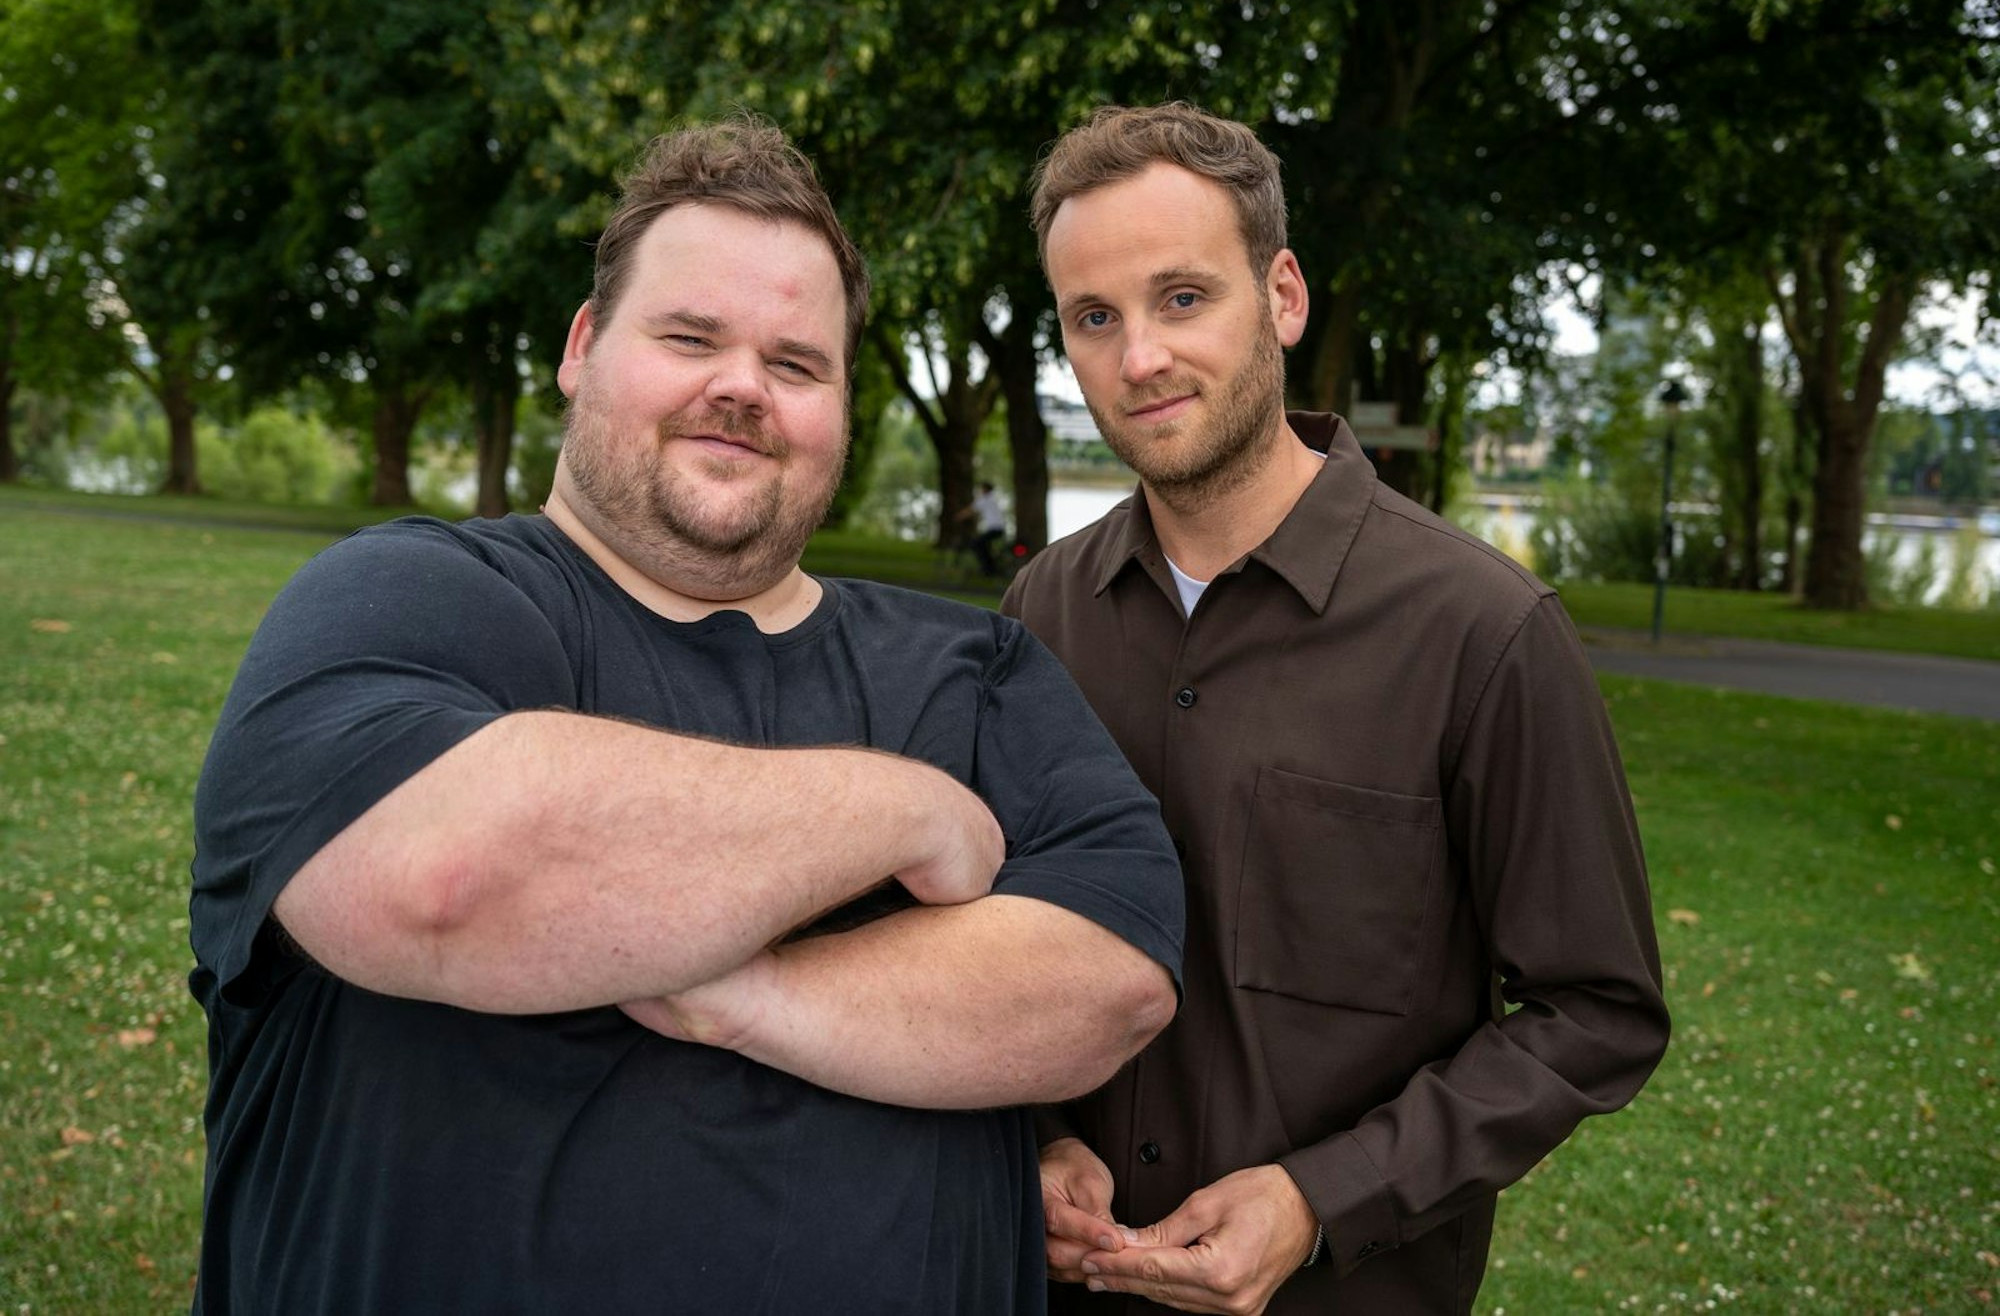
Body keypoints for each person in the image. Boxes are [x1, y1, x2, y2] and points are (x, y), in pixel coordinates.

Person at [187, 116, 1184, 1314]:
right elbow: (443, 878)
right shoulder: (409, 597)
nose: (740, 389)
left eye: (796, 363)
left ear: (840, 409)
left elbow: (1108, 977)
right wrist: (907, 810)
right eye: (688, 336)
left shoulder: (975, 668)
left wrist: (734, 992)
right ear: (582, 346)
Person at [1002, 102, 1670, 1315]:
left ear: (1283, 296)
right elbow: (996, 934)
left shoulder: (1484, 631)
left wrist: (1325, 1194)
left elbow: (1594, 1010)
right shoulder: (1037, 614)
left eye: (1182, 297)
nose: (1137, 356)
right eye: (1092, 318)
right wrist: (1038, 1131)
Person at [962, 480, 1010, 575]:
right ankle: (990, 566)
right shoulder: (992, 498)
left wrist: (958, 517)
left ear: (985, 489)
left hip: (995, 529)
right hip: (998, 529)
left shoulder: (985, 499)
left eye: (982, 489)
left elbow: (971, 510)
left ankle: (989, 569)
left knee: (976, 543)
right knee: (983, 544)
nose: (980, 490)